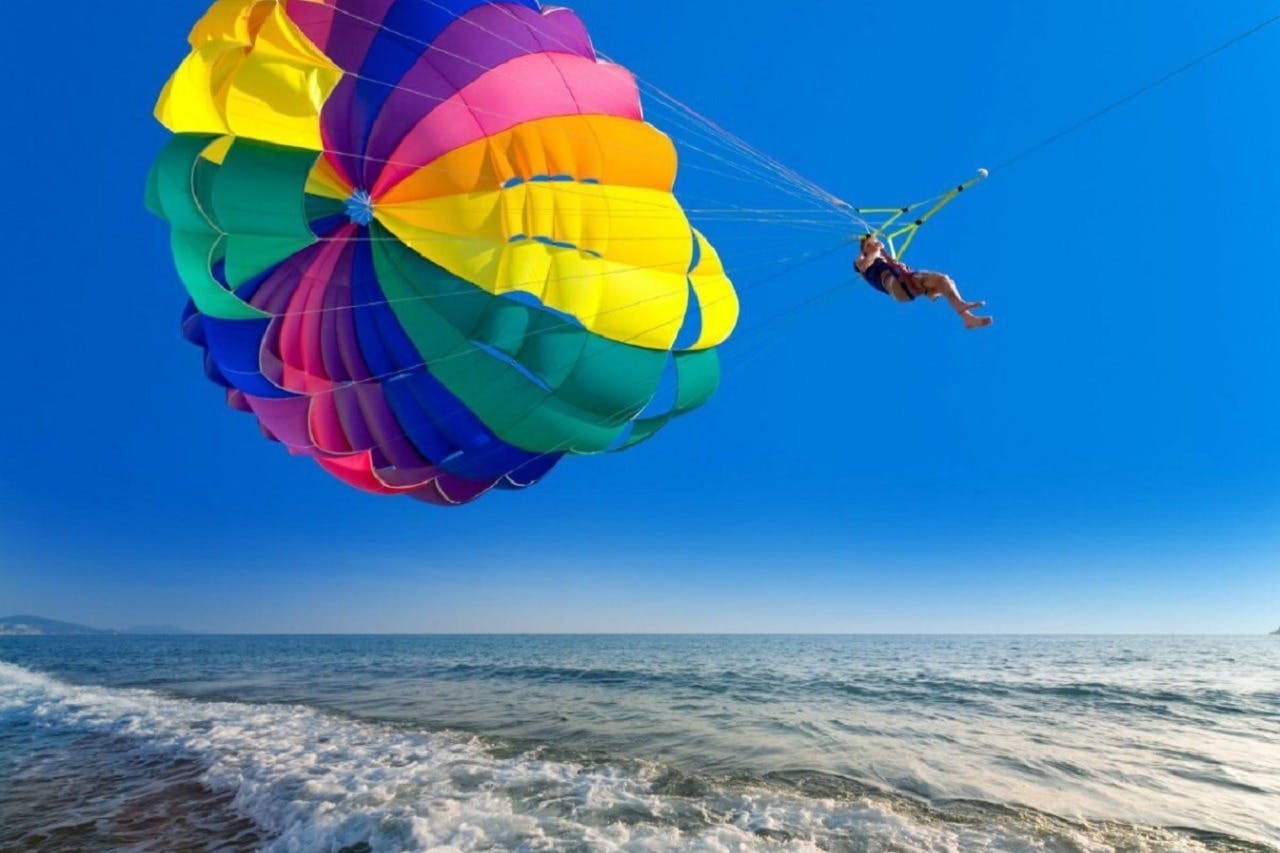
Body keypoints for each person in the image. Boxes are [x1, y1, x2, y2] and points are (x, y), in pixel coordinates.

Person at [855, 234, 992, 329]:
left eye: (874, 242)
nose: (873, 244)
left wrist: (893, 262)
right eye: (869, 244)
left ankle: (966, 316)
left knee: (943, 280)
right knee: (934, 279)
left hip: (908, 282)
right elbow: (863, 266)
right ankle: (962, 311)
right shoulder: (862, 260)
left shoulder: (884, 259)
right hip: (894, 286)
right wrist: (875, 250)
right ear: (864, 250)